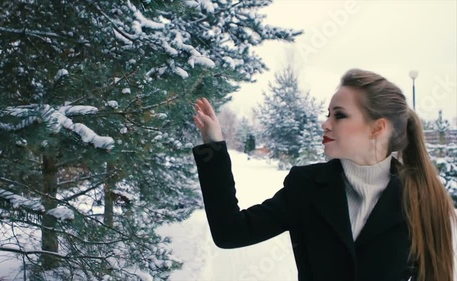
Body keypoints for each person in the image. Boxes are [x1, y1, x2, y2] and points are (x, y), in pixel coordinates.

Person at [191, 69, 457, 281]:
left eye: (339, 115)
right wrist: (212, 147)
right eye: (328, 113)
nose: (325, 123)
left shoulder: (419, 197)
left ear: (377, 128)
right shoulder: (306, 186)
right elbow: (230, 232)